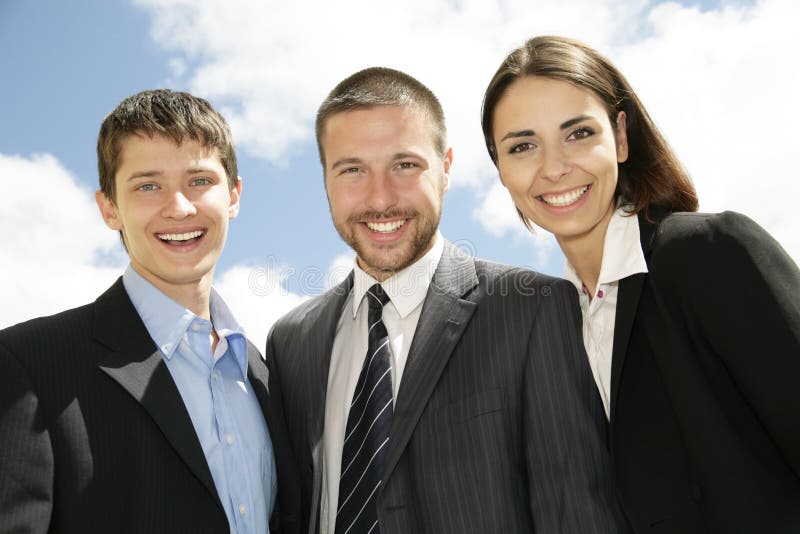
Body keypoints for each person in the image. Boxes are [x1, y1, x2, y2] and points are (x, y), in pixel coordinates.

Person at [264, 66, 626, 533]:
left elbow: (575, 513)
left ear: (446, 167)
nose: (381, 198)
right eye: (352, 169)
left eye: (405, 165)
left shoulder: (534, 309)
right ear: (326, 180)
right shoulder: (291, 342)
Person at [481, 35, 800, 533]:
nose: (554, 167)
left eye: (578, 133)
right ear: (500, 169)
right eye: (522, 145)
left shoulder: (708, 254)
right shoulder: (552, 328)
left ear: (621, 137)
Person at [0, 89, 299, 533]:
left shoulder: (267, 371)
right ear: (109, 209)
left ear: (234, 196)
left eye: (199, 180)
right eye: (148, 186)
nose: (178, 208)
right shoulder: (27, 363)